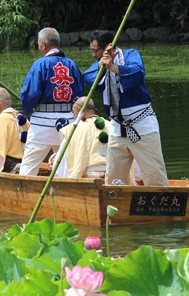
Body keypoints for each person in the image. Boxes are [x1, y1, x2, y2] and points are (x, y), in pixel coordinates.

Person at [83, 30, 169, 186]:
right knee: (114, 180)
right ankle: (116, 208)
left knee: (155, 177)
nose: (93, 55)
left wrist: (114, 67)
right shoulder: (99, 64)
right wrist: (103, 68)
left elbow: (138, 72)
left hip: (142, 127)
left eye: (95, 50)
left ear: (107, 47)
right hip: (117, 129)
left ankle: (160, 208)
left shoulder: (130, 55)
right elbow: (88, 78)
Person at [18, 27, 84, 176]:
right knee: (67, 163)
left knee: (30, 163)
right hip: (67, 120)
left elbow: (32, 93)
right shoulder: (72, 64)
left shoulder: (40, 64)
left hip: (43, 122)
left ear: (42, 44)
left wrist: (26, 108)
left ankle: (25, 192)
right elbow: (79, 94)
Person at [51, 98, 112, 179]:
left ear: (81, 113)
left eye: (74, 112)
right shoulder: (112, 127)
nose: (73, 116)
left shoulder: (72, 129)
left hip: (87, 177)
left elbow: (61, 163)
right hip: (113, 175)